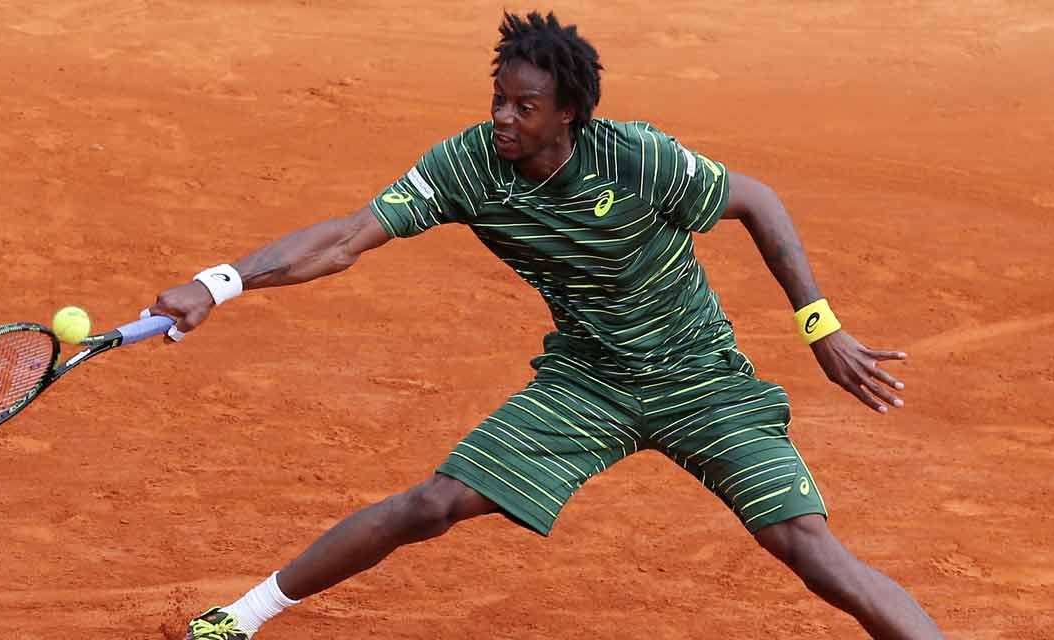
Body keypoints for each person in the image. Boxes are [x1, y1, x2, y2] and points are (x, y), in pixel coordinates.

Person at [151, 11, 943, 640]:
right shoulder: (468, 165)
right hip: (588, 382)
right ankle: (240, 617)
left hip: (700, 379)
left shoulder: (638, 159)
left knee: (809, 548)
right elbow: (345, 239)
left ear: (568, 113)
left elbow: (758, 201)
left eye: (523, 107)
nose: (502, 117)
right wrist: (220, 283)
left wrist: (819, 325)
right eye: (498, 98)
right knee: (431, 504)